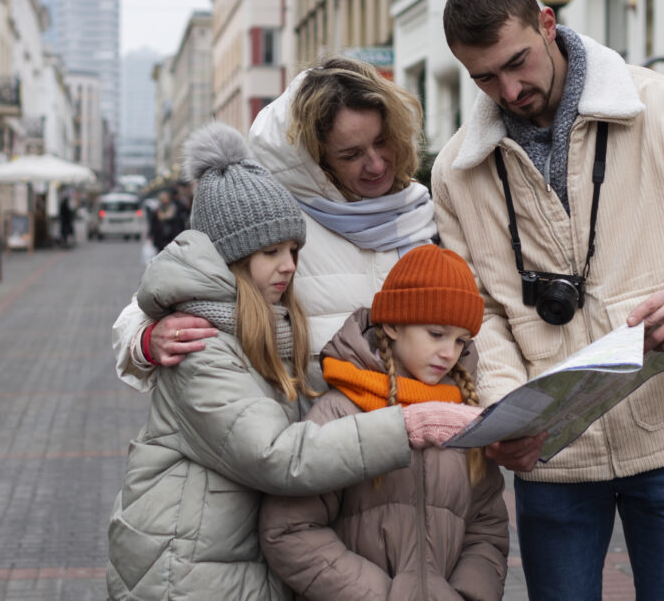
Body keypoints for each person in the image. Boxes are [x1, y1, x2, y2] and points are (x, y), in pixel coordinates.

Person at [432, 0, 664, 599]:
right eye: (484, 78)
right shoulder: (456, 171)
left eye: (517, 62)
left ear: (547, 23)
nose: (509, 90)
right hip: (552, 453)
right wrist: (510, 413)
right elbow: (476, 311)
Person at [106, 123, 480, 601]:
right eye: (271, 252)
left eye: (293, 251)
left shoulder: (267, 327)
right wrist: (403, 427)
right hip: (183, 563)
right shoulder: (202, 343)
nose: (289, 265)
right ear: (232, 257)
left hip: (222, 551)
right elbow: (275, 455)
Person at [111, 56, 436, 384]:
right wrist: (147, 339)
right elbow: (152, 301)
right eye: (351, 155)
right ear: (314, 160)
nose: (376, 165)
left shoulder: (421, 212)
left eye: (381, 142)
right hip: (311, 414)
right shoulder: (273, 222)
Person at [259, 244, 509, 600]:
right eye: (436, 334)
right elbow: (290, 529)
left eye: (460, 341)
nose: (449, 353)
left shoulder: (463, 417)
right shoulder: (340, 413)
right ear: (391, 324)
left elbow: (487, 530)